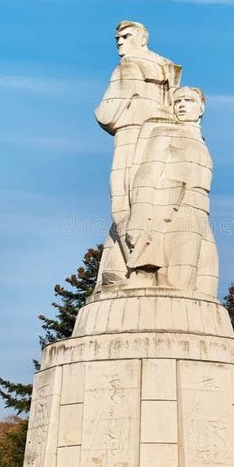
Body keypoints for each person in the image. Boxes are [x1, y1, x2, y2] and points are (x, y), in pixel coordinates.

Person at [94, 21, 181, 289]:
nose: (119, 41)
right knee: (151, 197)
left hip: (131, 134)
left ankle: (134, 264)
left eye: (125, 36)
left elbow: (105, 113)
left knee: (124, 200)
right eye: (117, 37)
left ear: (142, 38)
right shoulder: (166, 67)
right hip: (164, 137)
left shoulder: (127, 67)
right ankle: (122, 265)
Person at [124, 87, 219, 297]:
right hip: (176, 210)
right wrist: (139, 216)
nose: (182, 105)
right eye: (178, 101)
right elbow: (147, 173)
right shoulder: (164, 132)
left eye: (189, 100)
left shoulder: (201, 141)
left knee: (206, 286)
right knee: (177, 283)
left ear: (201, 107)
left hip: (202, 211)